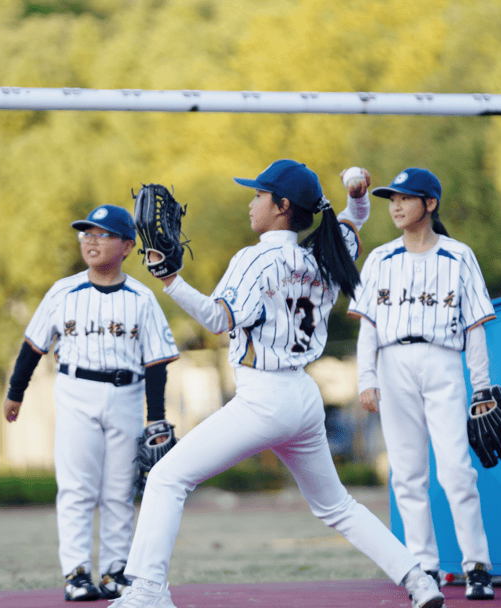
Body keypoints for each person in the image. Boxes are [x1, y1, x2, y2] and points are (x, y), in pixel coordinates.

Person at [111, 160, 445, 608]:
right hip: (303, 399)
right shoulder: (323, 254)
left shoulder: (256, 258)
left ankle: (149, 591)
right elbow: (353, 220)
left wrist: (170, 278)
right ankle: (420, 580)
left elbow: (218, 319)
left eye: (259, 195)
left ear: (282, 206)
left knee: (168, 477)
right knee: (338, 507)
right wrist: (357, 193)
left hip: (263, 398)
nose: (251, 203)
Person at [3, 204, 180, 602]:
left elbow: (156, 363)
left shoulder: (142, 298)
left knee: (119, 489)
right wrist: (16, 392)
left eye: (102, 234)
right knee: (76, 488)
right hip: (75, 391)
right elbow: (33, 346)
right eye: (86, 233)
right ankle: (77, 572)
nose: (91, 240)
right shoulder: (63, 290)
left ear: (127, 246)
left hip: (127, 393)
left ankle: (116, 570)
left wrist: (157, 420)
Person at [347, 167, 496, 600]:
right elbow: (369, 327)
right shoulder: (379, 258)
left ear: (429, 204)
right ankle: (424, 567)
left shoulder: (459, 255)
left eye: (405, 198)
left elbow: (475, 327)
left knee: (456, 471)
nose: (395, 206)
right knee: (408, 474)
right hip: (393, 362)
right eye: (391, 198)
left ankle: (477, 565)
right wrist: (366, 377)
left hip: (443, 360)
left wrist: (482, 386)